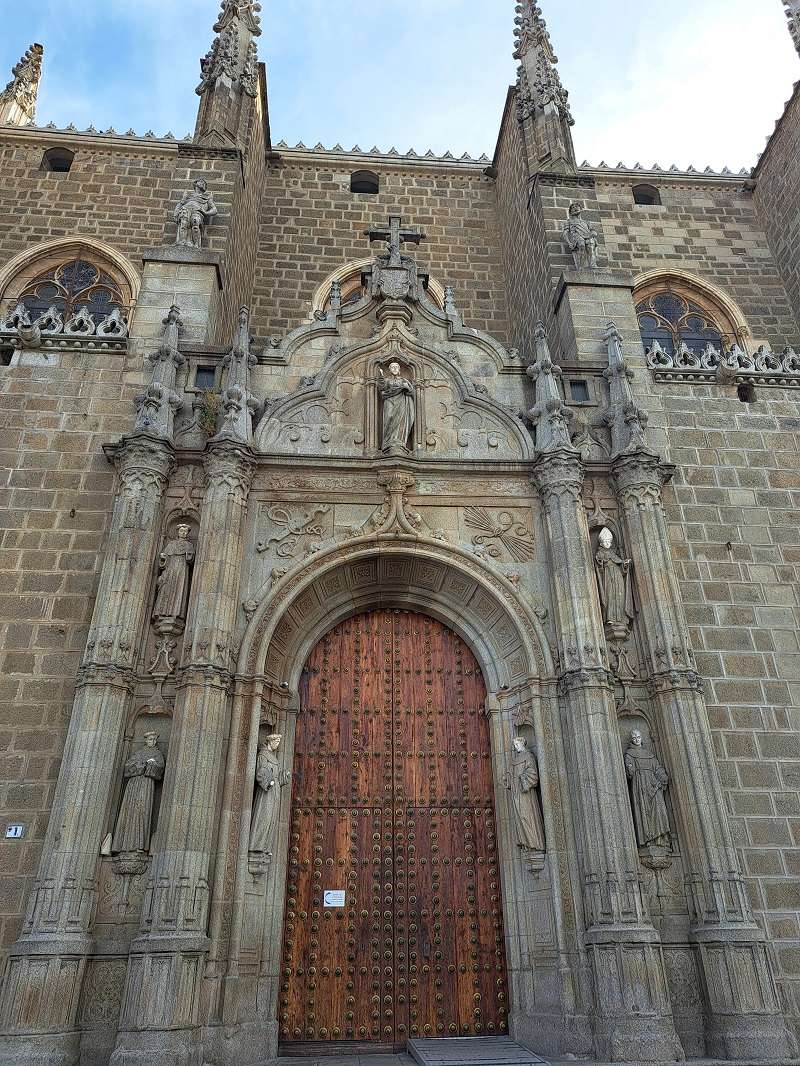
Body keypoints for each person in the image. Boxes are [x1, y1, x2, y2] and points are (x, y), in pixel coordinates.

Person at [112, 732, 165, 854]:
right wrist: (142, 765)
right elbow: (127, 767)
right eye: (150, 739)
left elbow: (160, 768)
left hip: (147, 784)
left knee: (142, 811)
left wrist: (151, 765)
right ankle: (124, 845)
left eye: (154, 739)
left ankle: (140, 844)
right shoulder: (139, 753)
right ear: (146, 740)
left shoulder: (157, 754)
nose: (153, 741)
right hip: (133, 785)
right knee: (130, 812)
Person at [377, 361, 414, 453]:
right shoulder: (387, 380)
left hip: (401, 402)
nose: (394, 369)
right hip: (389, 401)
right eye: (392, 367)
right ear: (389, 370)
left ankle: (399, 440)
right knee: (389, 417)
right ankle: (387, 442)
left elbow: (411, 392)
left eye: (396, 367)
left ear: (399, 370)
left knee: (400, 420)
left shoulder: (404, 381)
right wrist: (381, 376)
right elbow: (382, 387)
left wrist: (407, 388)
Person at [174, 178, 218, 249]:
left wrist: (205, 212)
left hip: (197, 212)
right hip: (185, 210)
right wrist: (175, 214)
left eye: (204, 183)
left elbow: (214, 210)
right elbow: (180, 204)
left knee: (195, 223)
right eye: (201, 181)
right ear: (195, 184)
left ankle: (196, 245)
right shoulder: (188, 196)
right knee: (184, 224)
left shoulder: (207, 198)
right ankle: (182, 242)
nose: (203, 183)